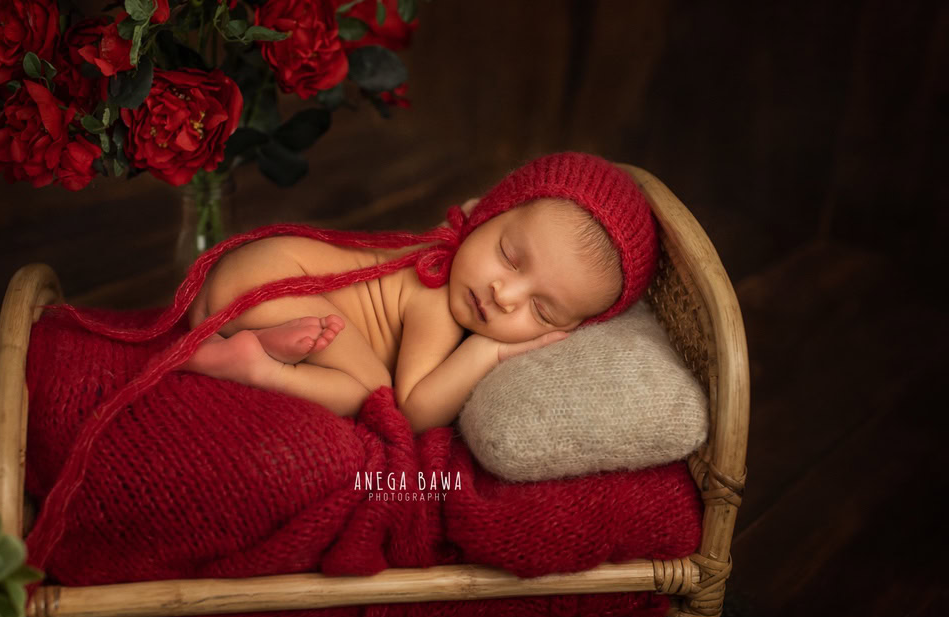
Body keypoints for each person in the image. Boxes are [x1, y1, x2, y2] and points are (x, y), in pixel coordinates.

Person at [179, 151, 657, 433]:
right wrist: (487, 354)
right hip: (276, 281)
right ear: (485, 213)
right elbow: (415, 408)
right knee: (372, 391)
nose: (504, 294)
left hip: (248, 279)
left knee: (341, 353)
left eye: (542, 310)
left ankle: (265, 342)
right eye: (510, 257)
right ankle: (261, 367)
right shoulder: (436, 295)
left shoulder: (450, 251)